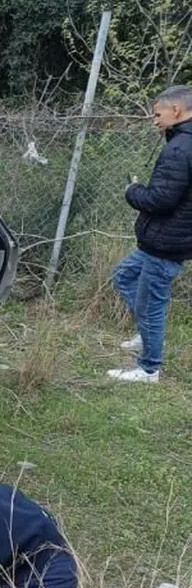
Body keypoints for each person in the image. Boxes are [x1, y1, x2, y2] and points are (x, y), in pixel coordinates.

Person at [110, 85, 192, 383]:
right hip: (165, 238)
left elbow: (160, 200)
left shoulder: (180, 149)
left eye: (157, 114)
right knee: (123, 275)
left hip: (167, 241)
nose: (154, 120)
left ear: (176, 110)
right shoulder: (182, 142)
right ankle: (146, 334)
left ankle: (148, 369)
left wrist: (132, 191)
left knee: (152, 304)